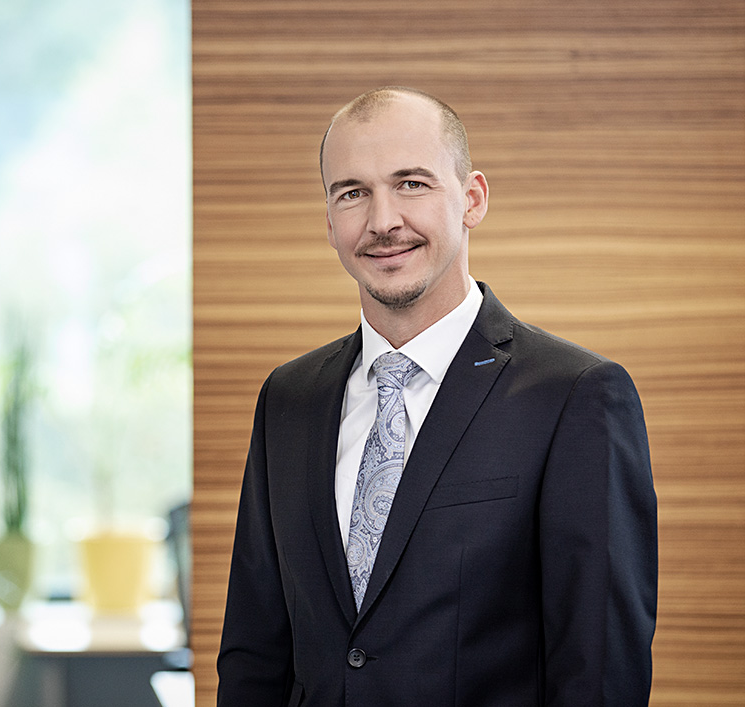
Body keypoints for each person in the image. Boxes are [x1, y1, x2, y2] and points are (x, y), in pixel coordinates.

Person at [216, 86, 657, 706]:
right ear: (329, 221)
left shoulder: (575, 397)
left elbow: (599, 670)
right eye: (352, 193)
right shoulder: (288, 399)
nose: (382, 221)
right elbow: (254, 651)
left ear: (472, 198)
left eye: (411, 184)